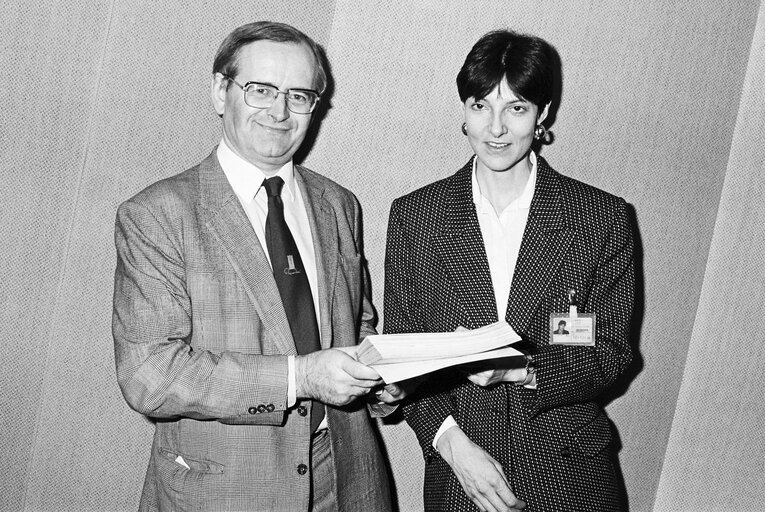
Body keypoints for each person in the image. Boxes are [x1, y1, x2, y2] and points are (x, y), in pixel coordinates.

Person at [113, 21, 402, 512]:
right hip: (223, 492)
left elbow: (358, 326)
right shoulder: (157, 214)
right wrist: (299, 378)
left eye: (299, 95)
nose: (280, 111)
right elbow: (149, 375)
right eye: (262, 90)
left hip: (350, 484)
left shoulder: (339, 204)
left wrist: (384, 381)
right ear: (220, 91)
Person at [384, 29, 634, 511]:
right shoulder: (416, 215)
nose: (495, 128)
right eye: (480, 106)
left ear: (542, 115)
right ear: (464, 112)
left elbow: (609, 350)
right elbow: (405, 347)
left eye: (515, 108)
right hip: (461, 472)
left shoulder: (599, 218)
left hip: (571, 474)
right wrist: (450, 443)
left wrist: (519, 368)